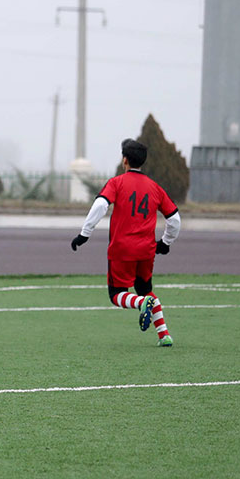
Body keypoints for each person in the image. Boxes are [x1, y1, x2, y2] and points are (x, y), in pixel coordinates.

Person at [70, 139, 181, 346]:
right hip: (147, 251)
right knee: (146, 289)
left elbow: (100, 205)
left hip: (122, 250)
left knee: (117, 295)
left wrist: (85, 234)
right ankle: (164, 335)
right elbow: (174, 218)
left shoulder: (117, 183)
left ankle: (141, 303)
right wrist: (166, 242)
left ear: (125, 160)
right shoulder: (155, 188)